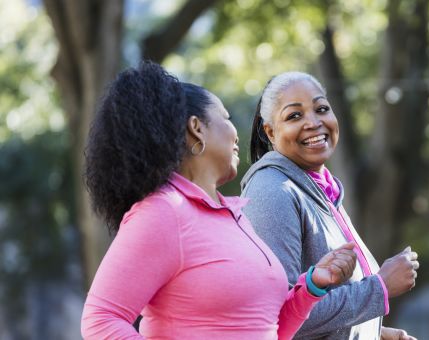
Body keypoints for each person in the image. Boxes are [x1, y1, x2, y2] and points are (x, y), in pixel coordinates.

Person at [80, 62, 358, 340]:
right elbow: (100, 321)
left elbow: (266, 328)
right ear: (196, 128)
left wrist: (311, 287)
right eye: (225, 118)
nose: (236, 132)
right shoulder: (163, 211)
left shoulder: (233, 216)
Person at [241, 72, 420, 340]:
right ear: (270, 131)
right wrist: (379, 286)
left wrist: (373, 333)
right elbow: (280, 316)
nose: (313, 122)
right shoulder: (273, 190)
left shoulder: (322, 190)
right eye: (294, 116)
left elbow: (320, 312)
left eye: (321, 109)